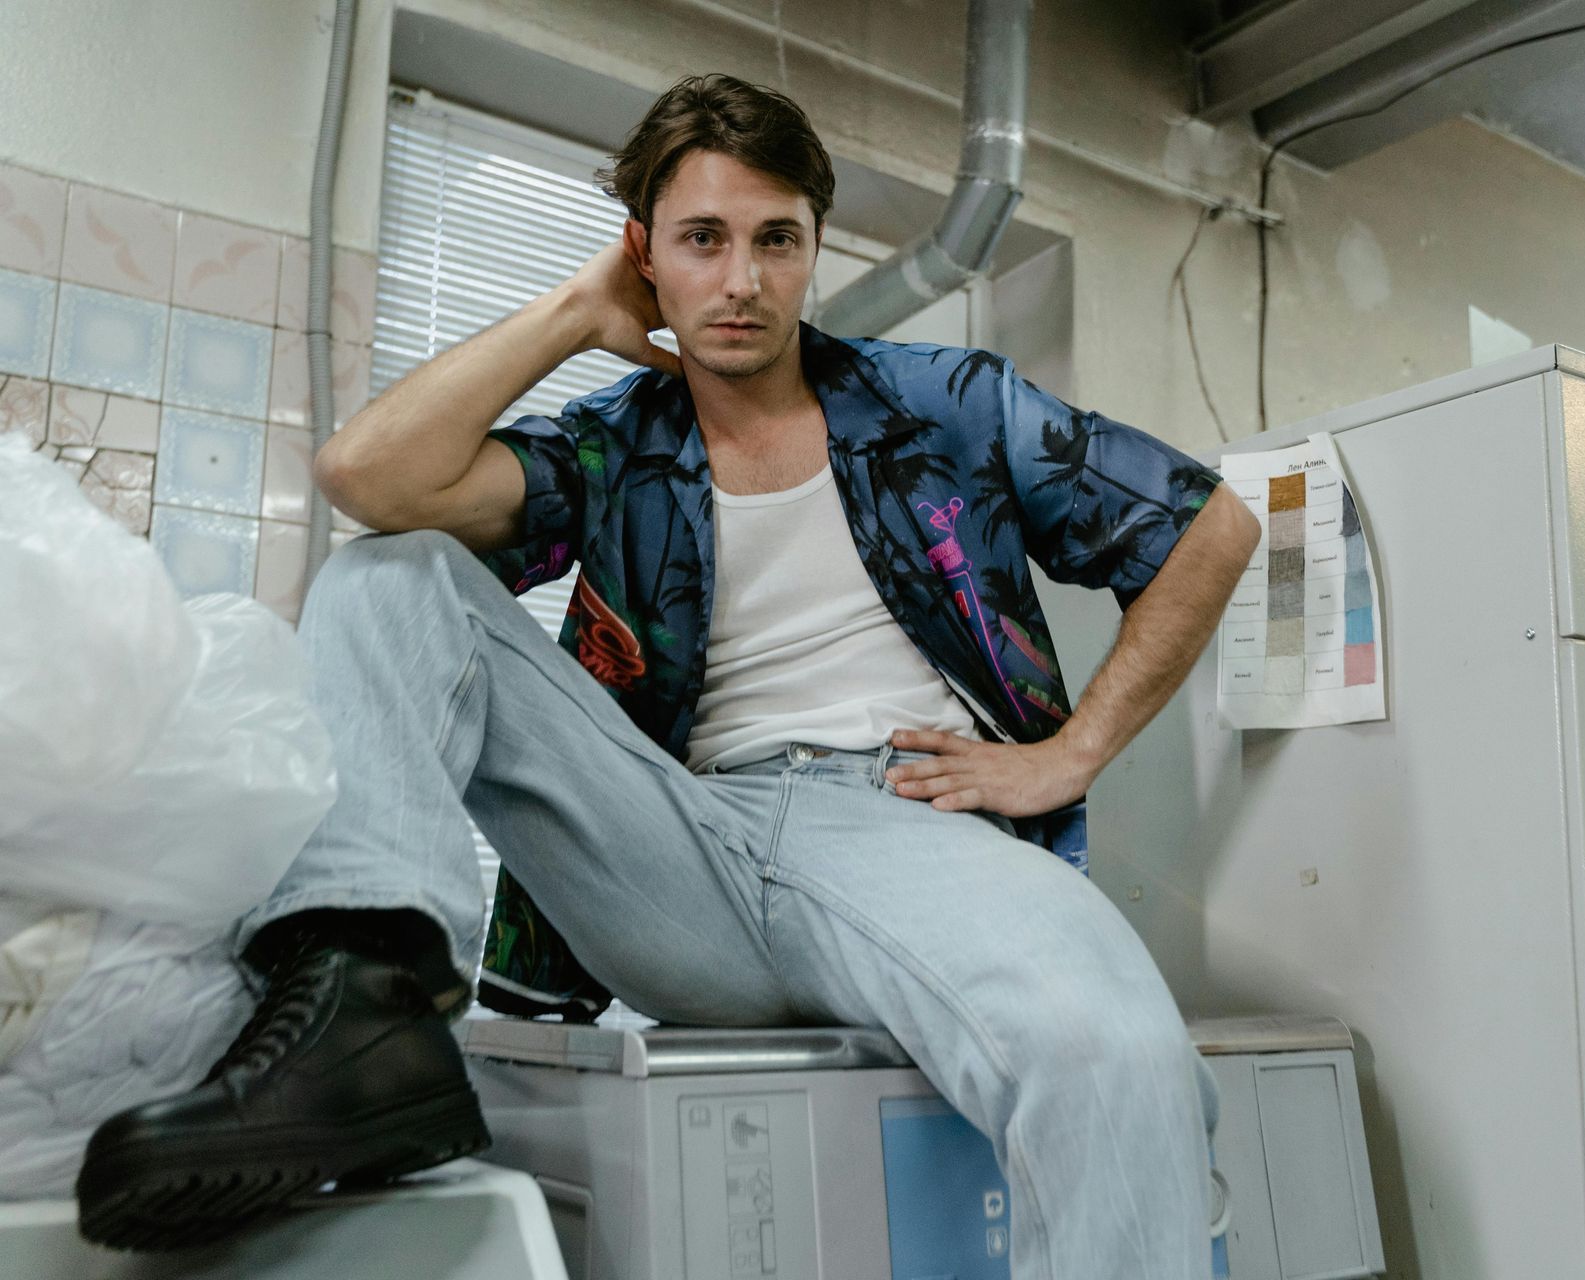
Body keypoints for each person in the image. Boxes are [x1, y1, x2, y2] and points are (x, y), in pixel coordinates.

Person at [77, 73, 1261, 1276]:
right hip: (673, 847)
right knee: (392, 576)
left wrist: (1069, 755)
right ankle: (364, 1009)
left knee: (1109, 1051)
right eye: (702, 239)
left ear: (811, 250)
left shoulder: (949, 405)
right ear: (648, 256)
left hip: (904, 821)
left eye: (774, 240)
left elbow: (1206, 527)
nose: (741, 280)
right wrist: (568, 312)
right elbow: (368, 479)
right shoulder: (615, 444)